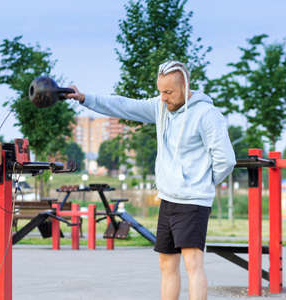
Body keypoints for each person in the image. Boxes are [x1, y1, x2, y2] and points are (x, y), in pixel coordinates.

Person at [65, 61, 236, 300]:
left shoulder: (207, 115)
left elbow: (226, 160)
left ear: (185, 87)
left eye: (169, 92)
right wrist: (85, 98)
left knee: (192, 263)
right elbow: (123, 105)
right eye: (160, 91)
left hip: (193, 201)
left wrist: (202, 184)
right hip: (168, 198)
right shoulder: (161, 107)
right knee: (166, 263)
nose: (163, 98)